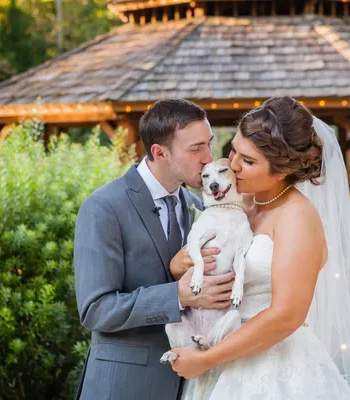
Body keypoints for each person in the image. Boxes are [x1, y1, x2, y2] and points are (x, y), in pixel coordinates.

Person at [170, 96, 350, 399]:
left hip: (273, 367)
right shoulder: (237, 201)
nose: (233, 165)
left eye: (248, 161)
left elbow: (287, 314)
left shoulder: (297, 216)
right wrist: (179, 265)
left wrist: (208, 359)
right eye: (234, 150)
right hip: (217, 347)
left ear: (282, 170)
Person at [73, 99, 235, 400]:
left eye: (209, 144)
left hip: (190, 386)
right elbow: (96, 310)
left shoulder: (199, 207)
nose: (208, 158)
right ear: (160, 152)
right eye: (196, 149)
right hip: (122, 388)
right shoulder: (103, 207)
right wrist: (178, 296)